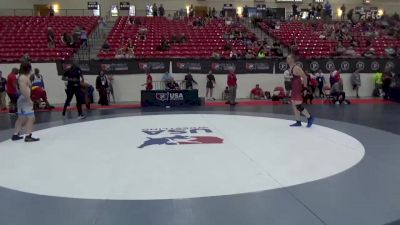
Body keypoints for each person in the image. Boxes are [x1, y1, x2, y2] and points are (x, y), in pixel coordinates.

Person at [11, 62, 39, 142]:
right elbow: (23, 90)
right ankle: (28, 136)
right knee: (31, 118)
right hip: (25, 99)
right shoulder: (23, 77)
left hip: (22, 99)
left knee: (20, 118)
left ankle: (15, 135)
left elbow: (27, 86)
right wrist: (29, 100)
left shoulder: (23, 76)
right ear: (29, 68)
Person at [286, 54, 314, 127]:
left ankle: (310, 117)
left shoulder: (296, 68)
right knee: (294, 106)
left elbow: (305, 77)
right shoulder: (290, 68)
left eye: (288, 58)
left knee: (298, 106)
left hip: (298, 89)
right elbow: (294, 78)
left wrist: (305, 88)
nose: (287, 59)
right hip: (294, 89)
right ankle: (298, 121)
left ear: (292, 59)